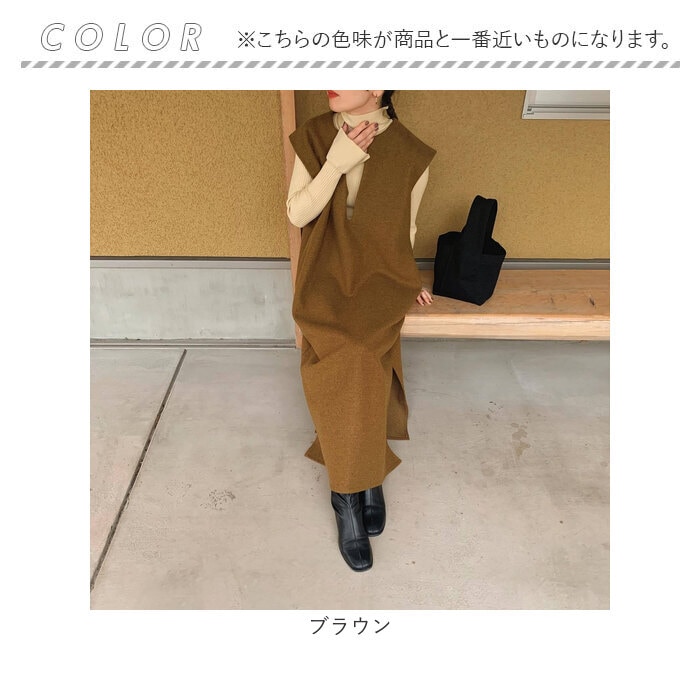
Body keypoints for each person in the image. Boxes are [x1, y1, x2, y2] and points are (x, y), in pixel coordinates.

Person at [286, 90, 436, 571]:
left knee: (371, 350)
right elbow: (298, 214)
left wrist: (408, 279)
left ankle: (364, 474)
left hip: (379, 274)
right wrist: (337, 161)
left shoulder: (410, 152)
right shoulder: (315, 135)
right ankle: (349, 493)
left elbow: (406, 230)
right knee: (349, 351)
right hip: (325, 275)